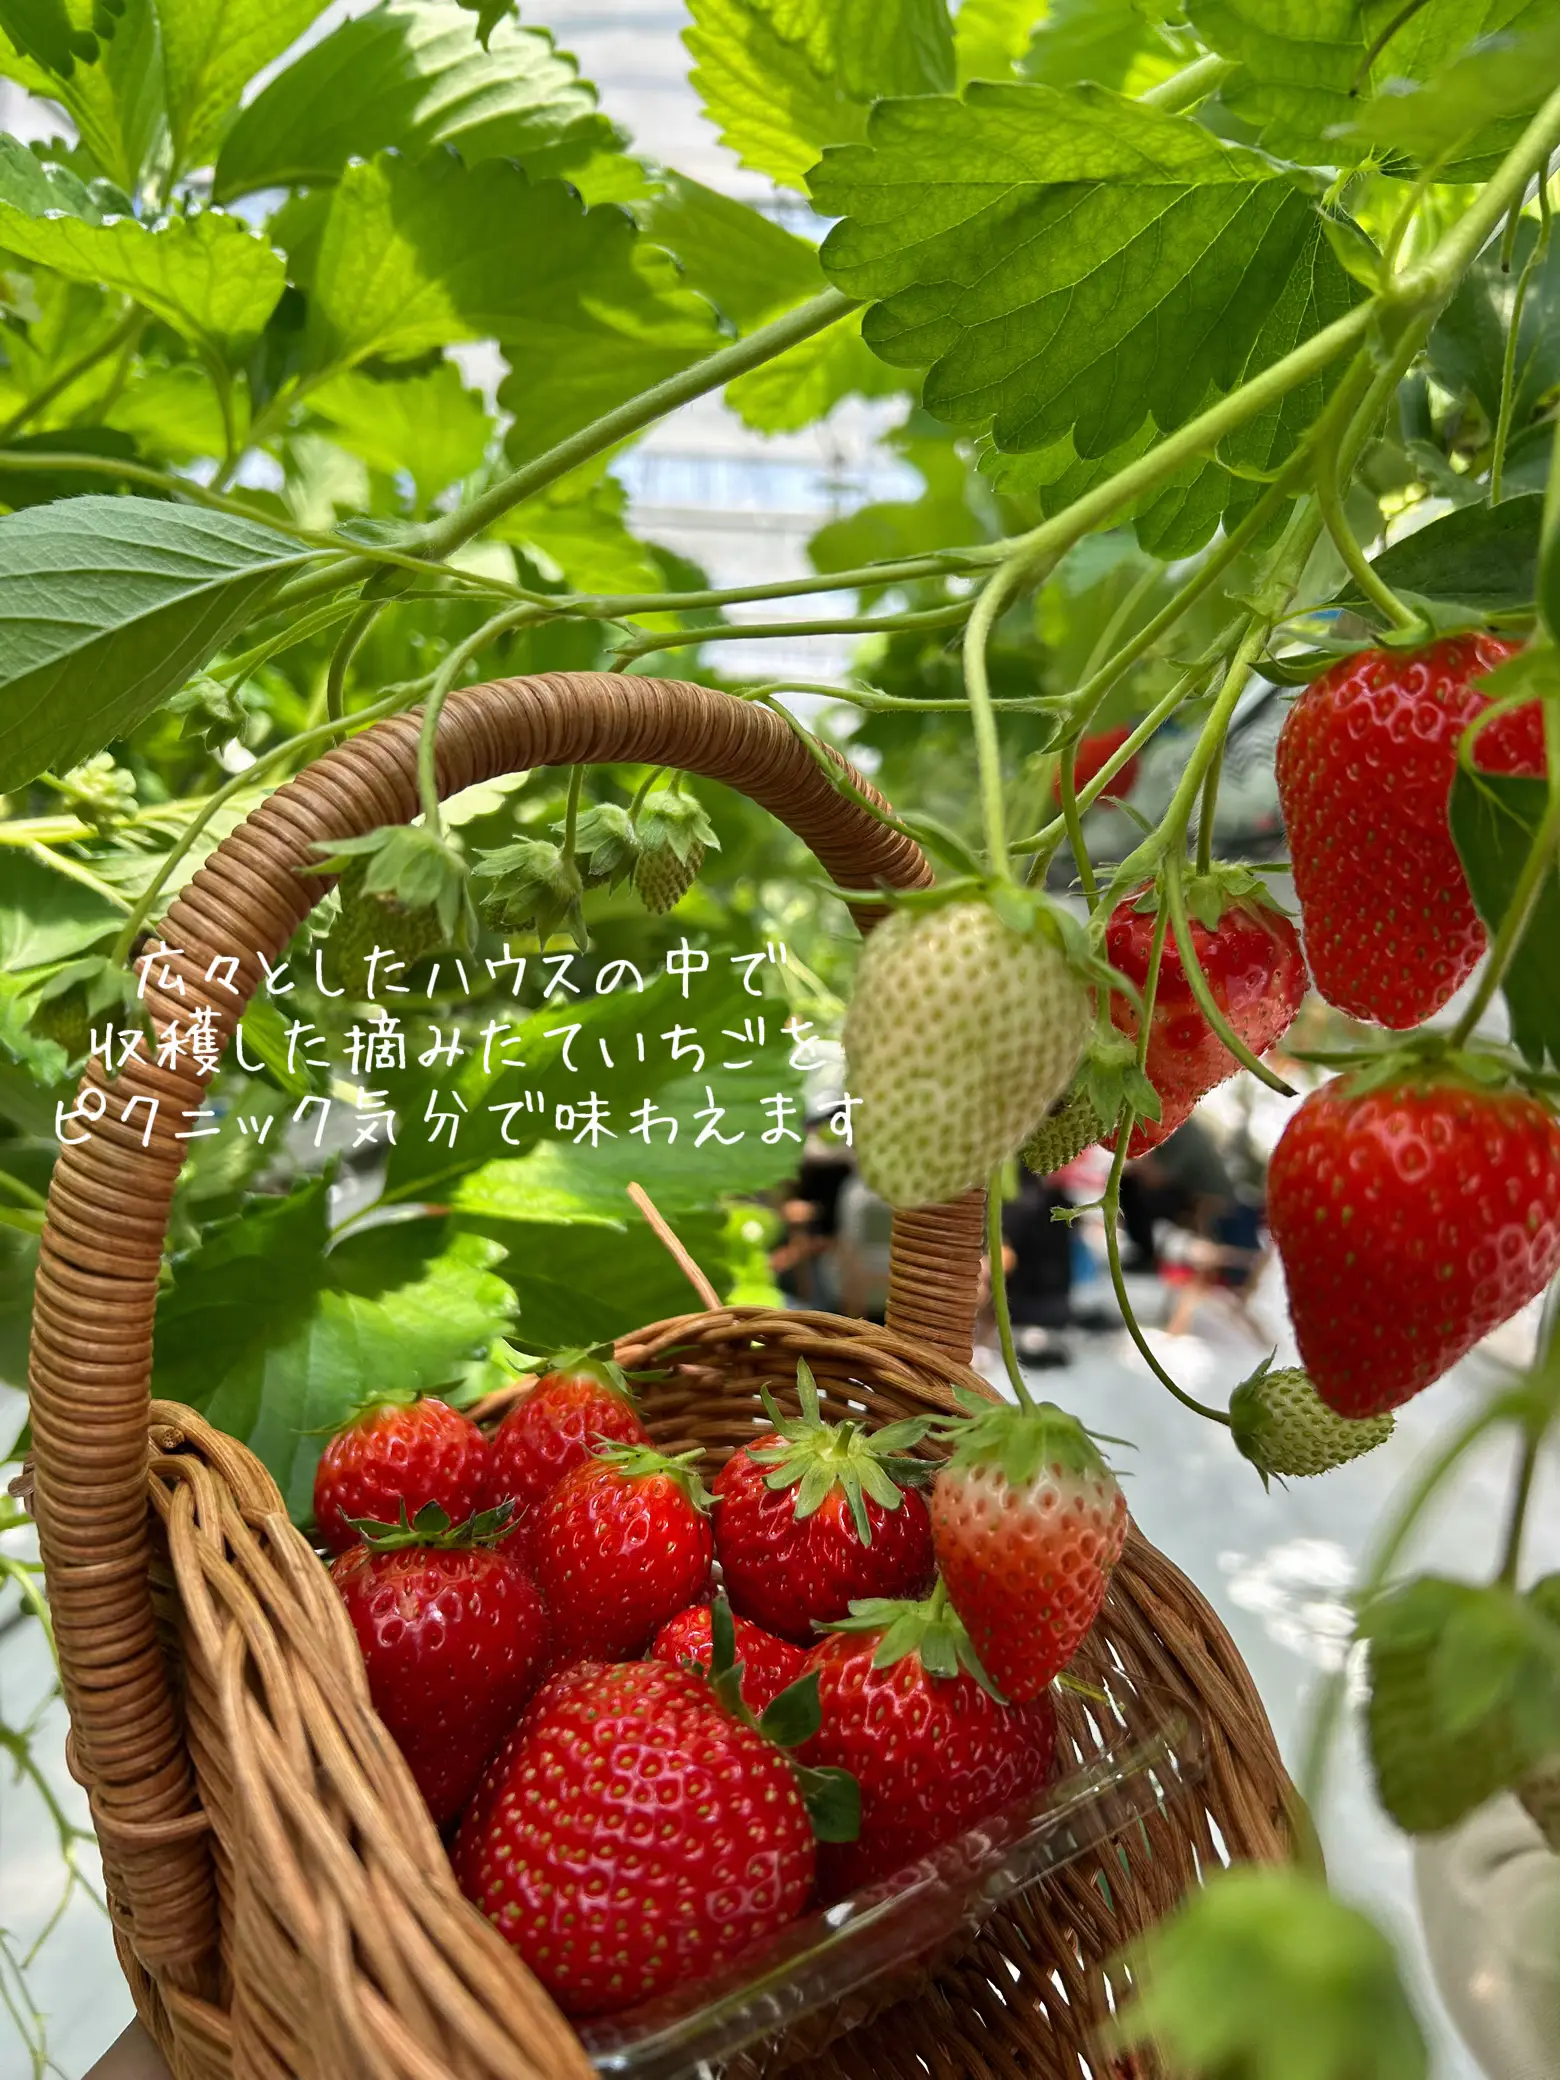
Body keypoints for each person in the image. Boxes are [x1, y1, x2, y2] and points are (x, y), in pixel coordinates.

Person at [1117, 1116, 1236, 1271]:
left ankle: (1146, 1255)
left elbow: (1156, 1177)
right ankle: (1146, 1252)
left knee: (1130, 1186)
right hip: (1192, 1195)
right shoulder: (1177, 1123)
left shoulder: (1180, 1129)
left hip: (1204, 1201)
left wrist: (1128, 1162)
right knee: (1131, 1184)